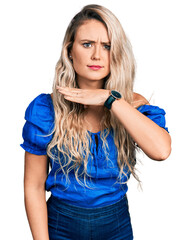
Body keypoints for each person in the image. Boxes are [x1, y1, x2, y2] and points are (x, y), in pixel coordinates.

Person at [21, 4, 171, 240]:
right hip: (61, 225)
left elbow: (162, 150)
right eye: (87, 44)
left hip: (116, 226)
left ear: (117, 53)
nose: (97, 56)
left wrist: (109, 99)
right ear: (70, 50)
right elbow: (33, 186)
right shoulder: (45, 110)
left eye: (107, 46)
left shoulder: (131, 105)